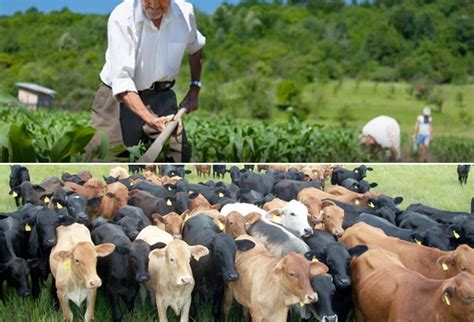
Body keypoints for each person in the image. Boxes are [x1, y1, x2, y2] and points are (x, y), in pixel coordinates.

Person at [86, 0, 205, 162]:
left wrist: (194, 87)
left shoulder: (185, 13)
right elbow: (122, 80)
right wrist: (149, 118)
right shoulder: (121, 17)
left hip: (162, 97)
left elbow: (196, 47)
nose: (153, 4)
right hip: (116, 101)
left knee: (180, 159)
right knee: (104, 161)